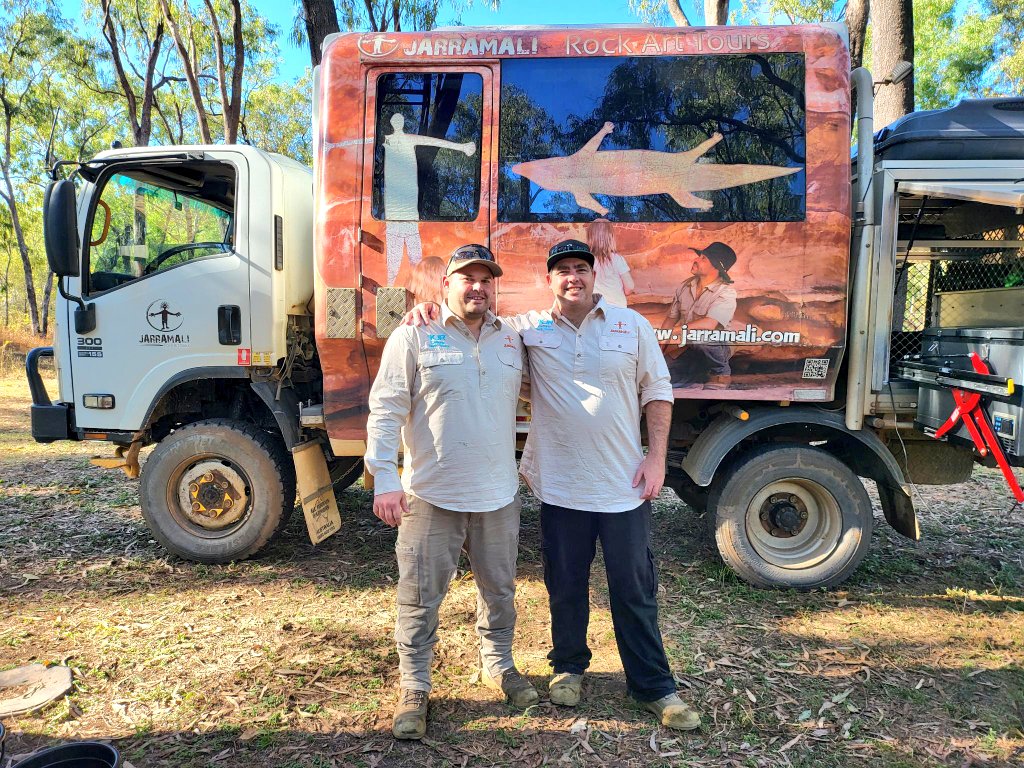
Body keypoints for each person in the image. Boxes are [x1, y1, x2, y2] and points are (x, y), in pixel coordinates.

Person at [406, 239, 701, 731]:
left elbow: (658, 390)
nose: (573, 277)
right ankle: (568, 667)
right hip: (561, 487)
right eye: (562, 269)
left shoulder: (633, 326)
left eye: (581, 268)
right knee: (564, 587)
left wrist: (655, 459)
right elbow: (473, 326)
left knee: (634, 589)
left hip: (623, 485)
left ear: (594, 276)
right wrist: (429, 310)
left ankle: (654, 686)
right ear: (549, 280)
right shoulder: (529, 330)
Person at [365, 244, 538, 741]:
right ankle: (415, 686)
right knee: (419, 597)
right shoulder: (414, 333)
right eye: (467, 278)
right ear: (446, 286)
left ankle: (499, 665)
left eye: (486, 279)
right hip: (431, 495)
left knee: (500, 591)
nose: (478, 287)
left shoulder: (513, 338)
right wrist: (384, 477)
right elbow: (387, 407)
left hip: (498, 494)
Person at [664, 241, 738, 389]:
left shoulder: (726, 292)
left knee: (700, 336)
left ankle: (721, 372)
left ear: (716, 267)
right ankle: (699, 374)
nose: (696, 260)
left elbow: (709, 324)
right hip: (691, 346)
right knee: (662, 373)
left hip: (716, 347)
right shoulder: (684, 287)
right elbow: (670, 320)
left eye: (703, 258)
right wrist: (659, 350)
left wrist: (676, 331)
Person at [588, 217, 634, 307]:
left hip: (594, 309)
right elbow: (630, 287)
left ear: (590, 236)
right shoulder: (617, 259)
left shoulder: (586, 260)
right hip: (617, 309)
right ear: (611, 236)